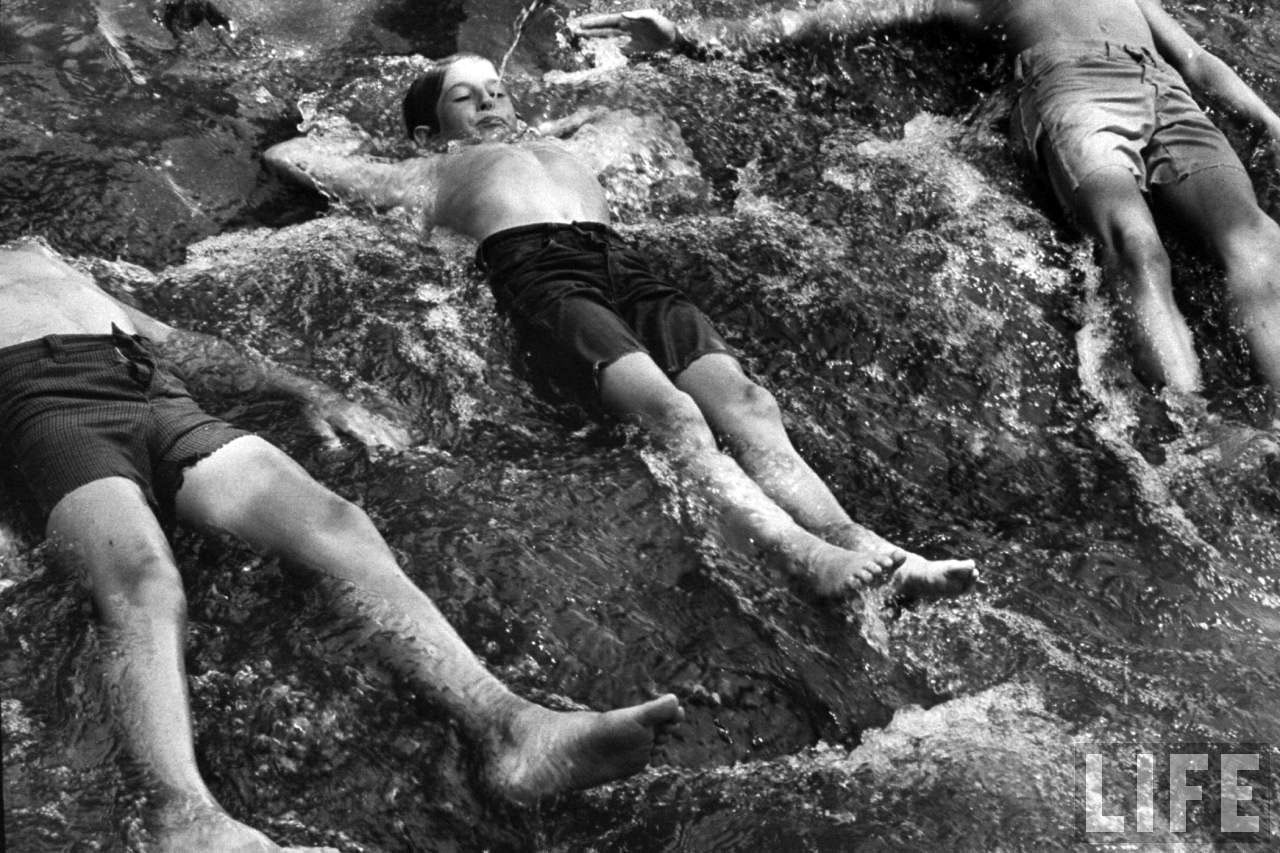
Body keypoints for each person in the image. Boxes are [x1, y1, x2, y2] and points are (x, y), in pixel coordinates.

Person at [0, 237, 683, 852]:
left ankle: (509, 729)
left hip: (152, 386)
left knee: (336, 523)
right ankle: (181, 817)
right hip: (45, 405)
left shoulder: (42, 254)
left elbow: (172, 338)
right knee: (145, 580)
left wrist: (305, 390)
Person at [262, 53, 979, 603]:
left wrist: (574, 121)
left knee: (750, 403)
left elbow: (630, 120)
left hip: (621, 265)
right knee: (672, 412)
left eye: (498, 90)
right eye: (464, 95)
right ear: (429, 128)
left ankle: (869, 544)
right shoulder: (426, 174)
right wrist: (368, 150)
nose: (489, 101)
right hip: (538, 270)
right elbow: (290, 158)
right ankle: (803, 555)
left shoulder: (560, 149)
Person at [572, 1, 1280, 419]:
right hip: (1071, 84)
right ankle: (1193, 422)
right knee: (1136, 244)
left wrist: (1269, 121)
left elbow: (1194, 58)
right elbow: (834, 16)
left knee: (1255, 240)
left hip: (1167, 93)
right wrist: (690, 34)